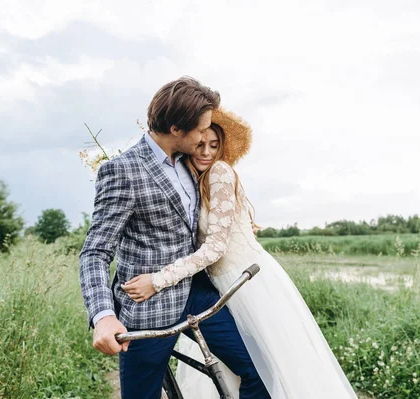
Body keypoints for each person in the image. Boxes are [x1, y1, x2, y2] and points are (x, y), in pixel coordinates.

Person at [122, 107, 358, 398]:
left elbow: (216, 247)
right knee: (245, 365)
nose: (206, 152)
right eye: (200, 144)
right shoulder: (194, 180)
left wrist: (158, 279)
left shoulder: (219, 172)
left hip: (244, 281)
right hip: (220, 283)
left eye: (214, 145)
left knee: (267, 365)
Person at [80, 77, 270, 399]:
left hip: (198, 292)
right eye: (200, 131)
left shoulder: (189, 162)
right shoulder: (121, 171)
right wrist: (104, 316)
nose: (204, 139)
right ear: (176, 129)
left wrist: (238, 227)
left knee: (259, 371)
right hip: (146, 310)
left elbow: (206, 213)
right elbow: (95, 252)